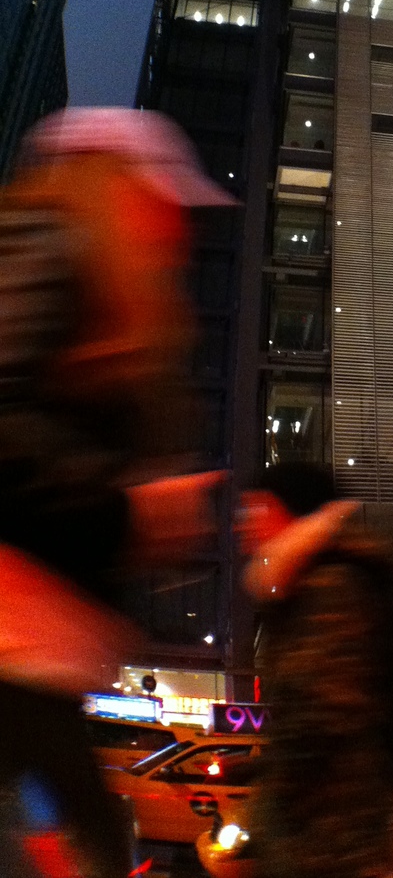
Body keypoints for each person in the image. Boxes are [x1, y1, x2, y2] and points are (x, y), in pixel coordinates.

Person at [0, 107, 233, 878]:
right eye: (160, 196)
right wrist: (127, 508)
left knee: (90, 839)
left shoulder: (114, 310)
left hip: (37, 658)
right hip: (15, 640)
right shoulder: (46, 243)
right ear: (110, 184)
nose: (176, 224)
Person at [240, 464, 393, 878]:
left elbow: (323, 712)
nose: (243, 525)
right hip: (333, 819)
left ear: (289, 513)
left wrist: (269, 804)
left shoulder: (329, 584)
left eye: (256, 509)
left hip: (335, 824)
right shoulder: (307, 580)